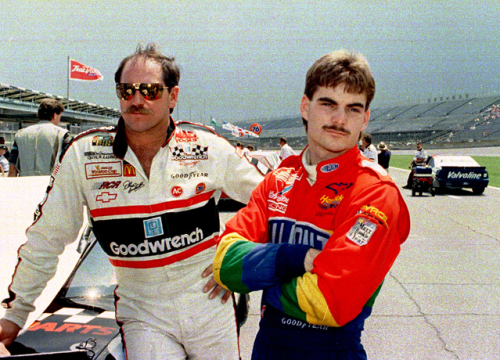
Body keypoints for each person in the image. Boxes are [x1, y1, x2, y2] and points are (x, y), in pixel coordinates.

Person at [0, 44, 264, 359]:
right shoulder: (85, 156)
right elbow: (46, 239)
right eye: (127, 91)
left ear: (173, 96)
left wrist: (239, 256)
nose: (137, 100)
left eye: (150, 90)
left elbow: (272, 201)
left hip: (208, 304)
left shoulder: (207, 147)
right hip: (143, 313)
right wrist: (16, 314)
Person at [213, 50, 411, 359]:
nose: (339, 119)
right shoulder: (279, 179)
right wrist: (301, 258)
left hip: (332, 350)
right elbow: (225, 263)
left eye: (353, 108)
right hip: (267, 348)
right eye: (328, 104)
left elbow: (331, 302)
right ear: (306, 106)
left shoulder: (375, 192)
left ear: (365, 118)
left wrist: (260, 278)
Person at [8, 99, 70, 177]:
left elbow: (12, 170)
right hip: (51, 185)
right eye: (59, 117)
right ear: (54, 115)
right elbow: (69, 166)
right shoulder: (62, 134)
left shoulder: (20, 135)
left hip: (24, 185)